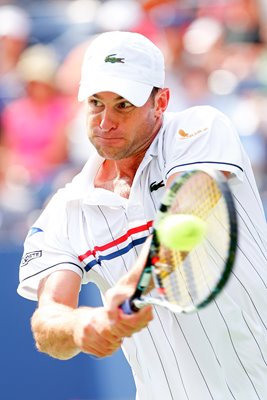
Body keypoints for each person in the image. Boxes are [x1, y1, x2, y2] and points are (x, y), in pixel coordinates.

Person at [17, 31, 267, 400]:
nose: (105, 122)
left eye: (123, 105)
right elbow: (48, 318)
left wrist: (134, 284)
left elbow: (188, 210)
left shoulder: (199, 128)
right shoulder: (64, 211)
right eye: (96, 103)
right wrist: (81, 326)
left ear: (161, 101)